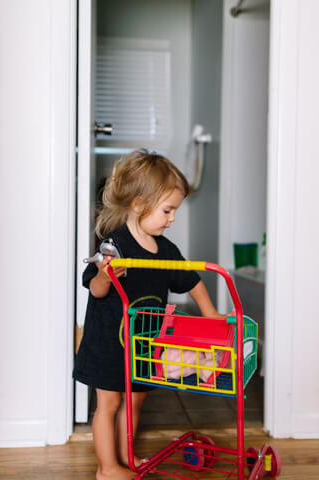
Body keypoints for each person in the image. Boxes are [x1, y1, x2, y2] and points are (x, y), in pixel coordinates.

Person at [73, 149, 223, 480]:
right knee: (108, 405)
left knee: (136, 402)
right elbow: (95, 289)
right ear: (139, 205)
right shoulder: (114, 244)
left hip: (144, 343)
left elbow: (192, 279)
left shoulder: (165, 249)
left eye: (174, 211)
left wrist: (211, 313)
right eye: (167, 210)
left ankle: (127, 455)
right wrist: (107, 274)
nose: (171, 219)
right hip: (109, 343)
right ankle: (106, 468)